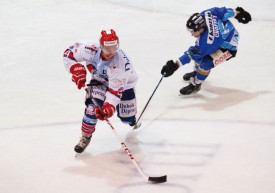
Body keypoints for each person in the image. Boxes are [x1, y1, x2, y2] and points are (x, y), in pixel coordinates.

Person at [63, 29, 138, 153]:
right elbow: (68, 54)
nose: (111, 53)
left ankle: (131, 119)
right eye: (107, 49)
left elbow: (115, 91)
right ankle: (85, 137)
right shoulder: (90, 49)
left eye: (114, 48)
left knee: (127, 119)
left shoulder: (121, 64)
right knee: (92, 109)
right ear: (101, 46)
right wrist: (74, 68)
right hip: (99, 82)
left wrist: (108, 106)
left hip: (125, 86)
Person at [161, 7, 252, 95]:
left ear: (200, 28)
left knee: (205, 63)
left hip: (228, 48)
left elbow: (192, 54)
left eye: (193, 31)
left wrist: (175, 65)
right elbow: (223, 12)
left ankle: (196, 84)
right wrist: (238, 13)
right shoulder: (205, 14)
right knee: (200, 56)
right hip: (224, 38)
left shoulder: (208, 40)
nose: (192, 34)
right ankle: (197, 72)